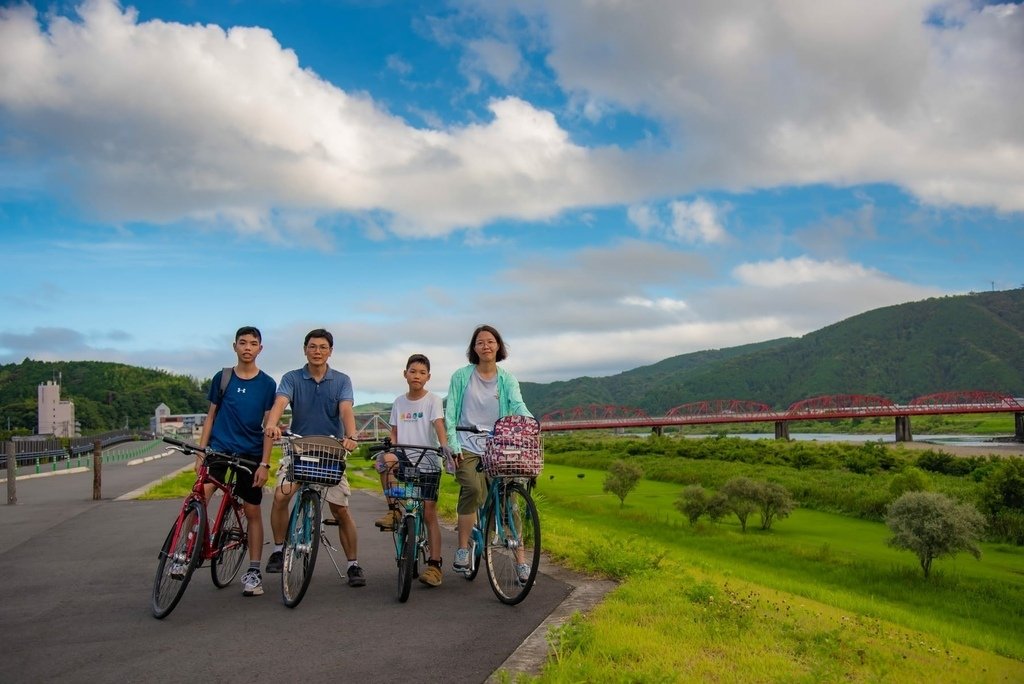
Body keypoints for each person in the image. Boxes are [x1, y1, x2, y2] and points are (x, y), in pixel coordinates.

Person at [262, 329, 365, 587]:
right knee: (281, 495)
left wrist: (351, 434)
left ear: (330, 351)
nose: (317, 351)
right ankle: (277, 549)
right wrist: (272, 425)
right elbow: (280, 403)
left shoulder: (341, 380)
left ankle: (353, 564)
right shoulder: (292, 378)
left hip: (331, 451)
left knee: (340, 509)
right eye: (312, 346)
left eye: (322, 347)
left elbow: (345, 409)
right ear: (304, 349)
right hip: (299, 448)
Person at [444, 324, 532, 580]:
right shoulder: (461, 376)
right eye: (480, 342)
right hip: (467, 443)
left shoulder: (507, 378)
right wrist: (453, 442)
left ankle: (521, 563)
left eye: (491, 341)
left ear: (498, 346)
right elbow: (451, 413)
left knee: (509, 502)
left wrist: (529, 422)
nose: (486, 346)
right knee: (471, 488)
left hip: (498, 445)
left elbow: (517, 404)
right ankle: (462, 549)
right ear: (474, 348)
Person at [196, 326, 278, 597]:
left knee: (252, 511)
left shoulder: (267, 384)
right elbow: (210, 416)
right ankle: (189, 548)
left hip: (250, 454)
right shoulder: (223, 377)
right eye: (242, 343)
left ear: (260, 349)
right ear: (235, 347)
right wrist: (201, 451)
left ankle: (253, 572)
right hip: (219, 449)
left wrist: (265, 464)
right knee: (200, 495)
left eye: (253, 343)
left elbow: (269, 425)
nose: (247, 347)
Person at [374, 354, 451, 587]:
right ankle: (393, 510)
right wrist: (391, 446)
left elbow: (438, 425)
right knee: (383, 461)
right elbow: (395, 432)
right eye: (412, 371)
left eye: (421, 372)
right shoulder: (399, 401)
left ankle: (435, 565)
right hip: (404, 456)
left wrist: (444, 447)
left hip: (427, 460)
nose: (416, 376)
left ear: (428, 377)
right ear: (405, 373)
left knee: (429, 512)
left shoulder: (433, 400)